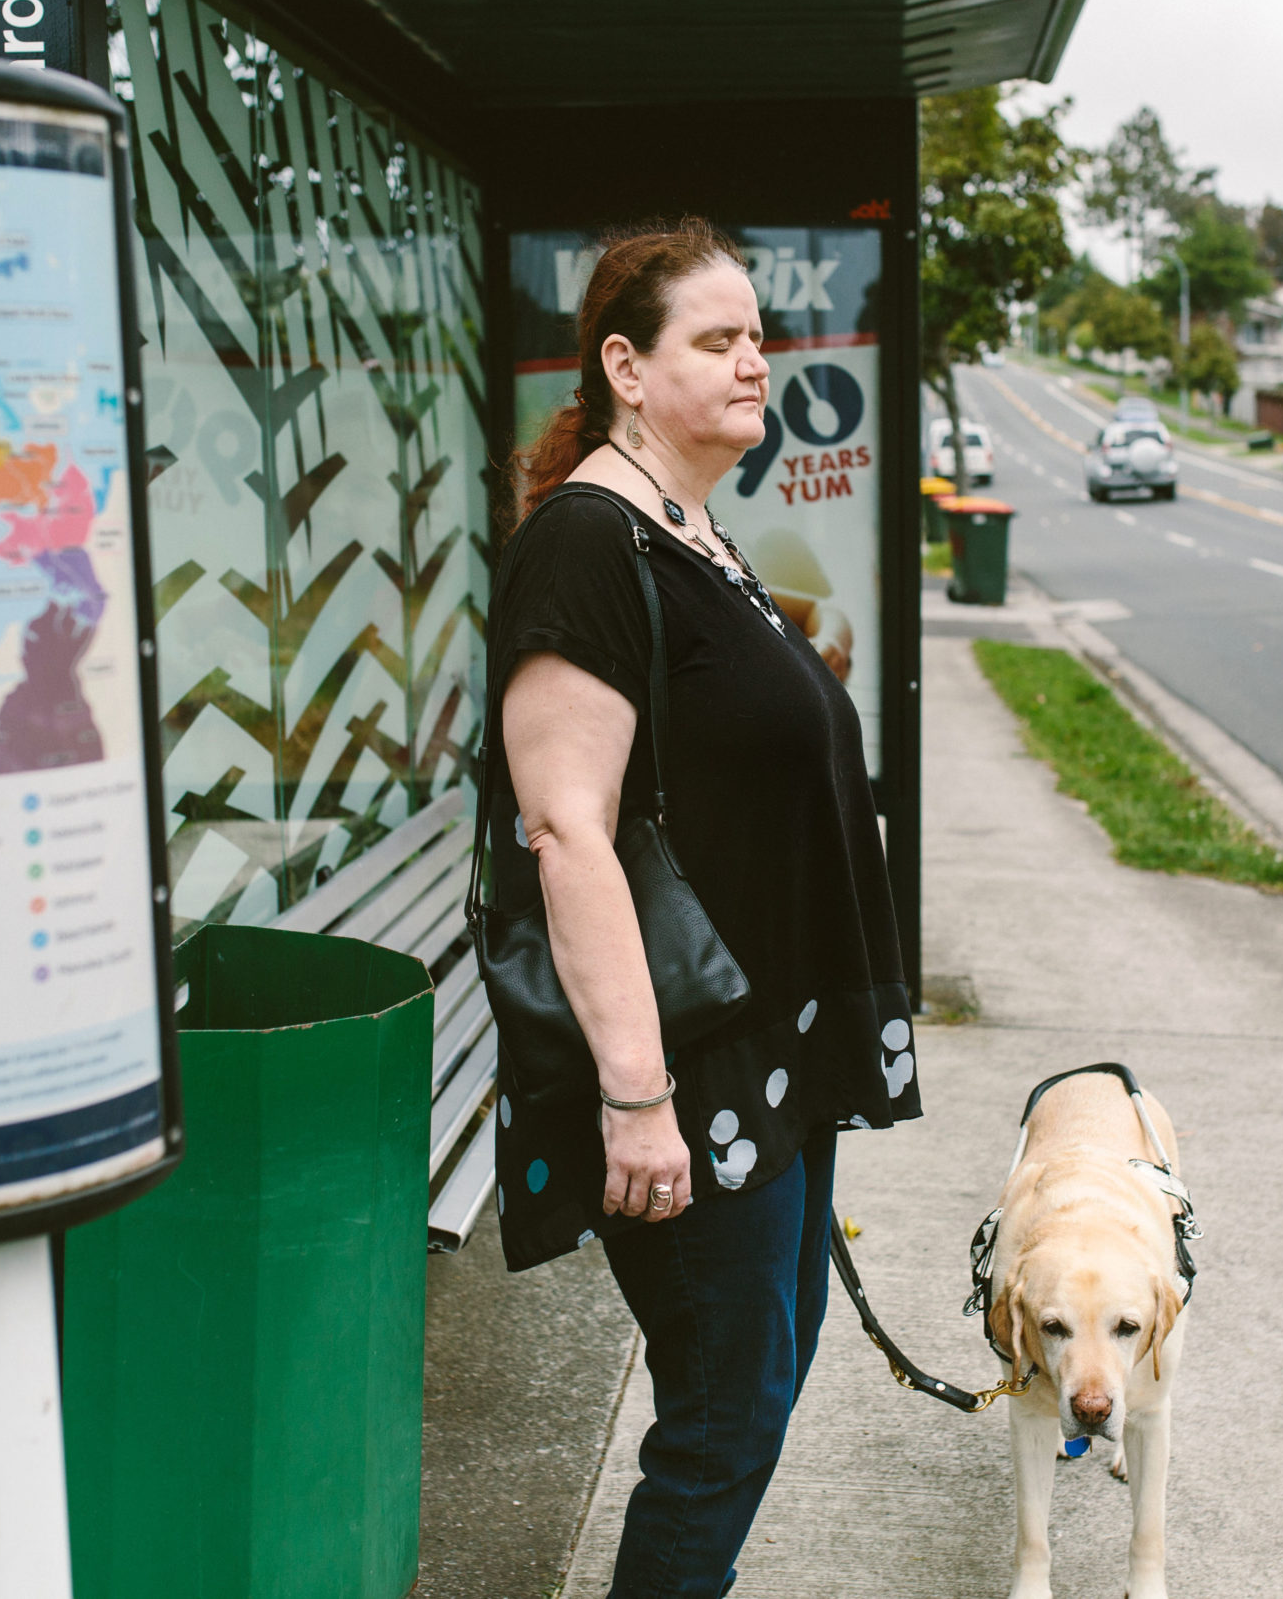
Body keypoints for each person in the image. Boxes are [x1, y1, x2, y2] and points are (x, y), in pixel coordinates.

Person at [485, 219, 920, 1598]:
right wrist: (634, 1095)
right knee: (726, 1415)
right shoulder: (586, 548)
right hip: (685, 1061)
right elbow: (567, 832)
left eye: (760, 337)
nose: (756, 362)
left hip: (766, 1049)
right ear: (624, 364)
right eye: (718, 340)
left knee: (765, 1377)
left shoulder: (695, 535)